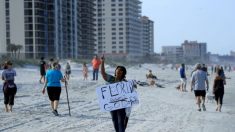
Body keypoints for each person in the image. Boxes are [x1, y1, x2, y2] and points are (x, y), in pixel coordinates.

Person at [100, 55, 131, 132]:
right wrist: (103, 62)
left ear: (123, 73)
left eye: (121, 70)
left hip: (121, 105)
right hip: (112, 104)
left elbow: (130, 93)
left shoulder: (125, 82)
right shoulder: (111, 79)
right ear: (115, 71)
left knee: (121, 122)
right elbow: (103, 73)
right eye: (117, 69)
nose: (119, 71)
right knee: (115, 121)